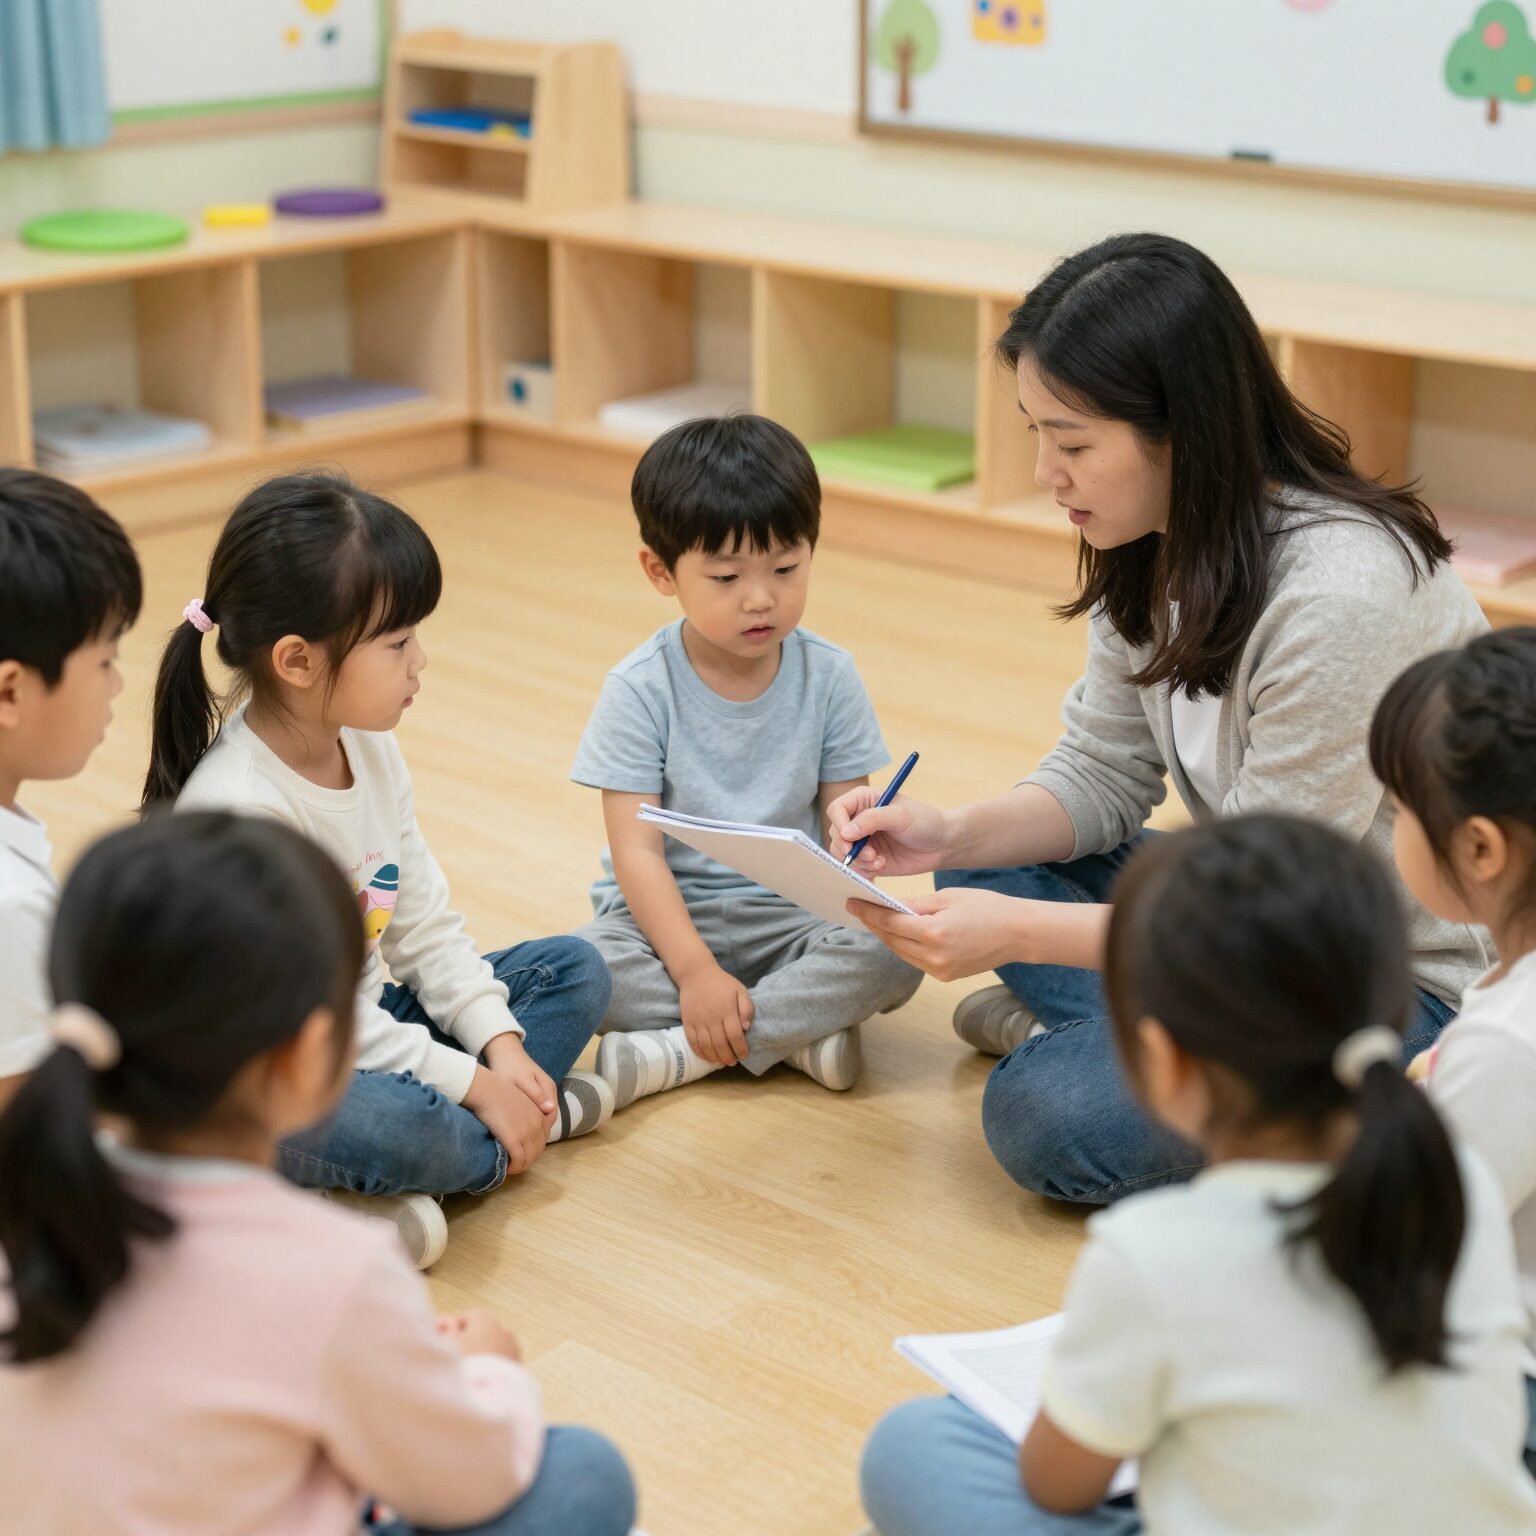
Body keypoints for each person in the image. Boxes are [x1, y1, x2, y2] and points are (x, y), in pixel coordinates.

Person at [830, 232, 1487, 1203]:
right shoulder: (1151, 536)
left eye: (1073, 444)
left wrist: (1015, 936)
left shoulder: (1341, 599)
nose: (1046, 472)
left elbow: (1253, 921)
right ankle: (1138, 1041)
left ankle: (1121, 1048)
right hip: (1253, 925)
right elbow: (1103, 772)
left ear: (1184, 430)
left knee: (1044, 1113)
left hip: (1392, 980)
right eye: (1036, 433)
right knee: (979, 866)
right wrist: (947, 831)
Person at [860, 816, 1536, 1536]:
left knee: (915, 1447)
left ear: (1162, 1061)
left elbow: (1055, 1484)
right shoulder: (1456, 1178)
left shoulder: (1149, 1254)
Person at [0, 812, 637, 1536]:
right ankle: (531, 1123)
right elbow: (468, 1481)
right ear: (308, 1054)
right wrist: (486, 1371)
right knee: (586, 1471)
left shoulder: (30, 1197)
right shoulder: (339, 1268)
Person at [144, 472, 613, 1265]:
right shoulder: (243, 811)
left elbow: (423, 927)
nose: (420, 661)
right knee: (402, 1126)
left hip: (359, 1026)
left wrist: (500, 1050)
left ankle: (466, 1146)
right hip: (258, 1079)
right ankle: (506, 1131)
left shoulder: (366, 744)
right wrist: (476, 1086)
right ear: (298, 661)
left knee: (577, 971)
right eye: (397, 644)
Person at [572, 414, 920, 1109]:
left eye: (786, 569)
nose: (762, 598)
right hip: (667, 918)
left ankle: (684, 1052)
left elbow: (842, 839)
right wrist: (694, 971)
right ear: (660, 571)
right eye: (727, 576)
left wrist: (860, 848)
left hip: (790, 915)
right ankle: (795, 1036)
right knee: (581, 968)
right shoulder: (638, 688)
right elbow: (637, 856)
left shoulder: (830, 676)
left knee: (895, 953)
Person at [1371, 626, 1536, 1476]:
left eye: (1399, 810)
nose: (1395, 829)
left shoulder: (1508, 1041)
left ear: (1479, 847)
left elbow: (1406, 1242)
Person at [0, 467, 140, 1111]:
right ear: (10, 691)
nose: (116, 685)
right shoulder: (12, 907)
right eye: (105, 661)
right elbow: (31, 1140)